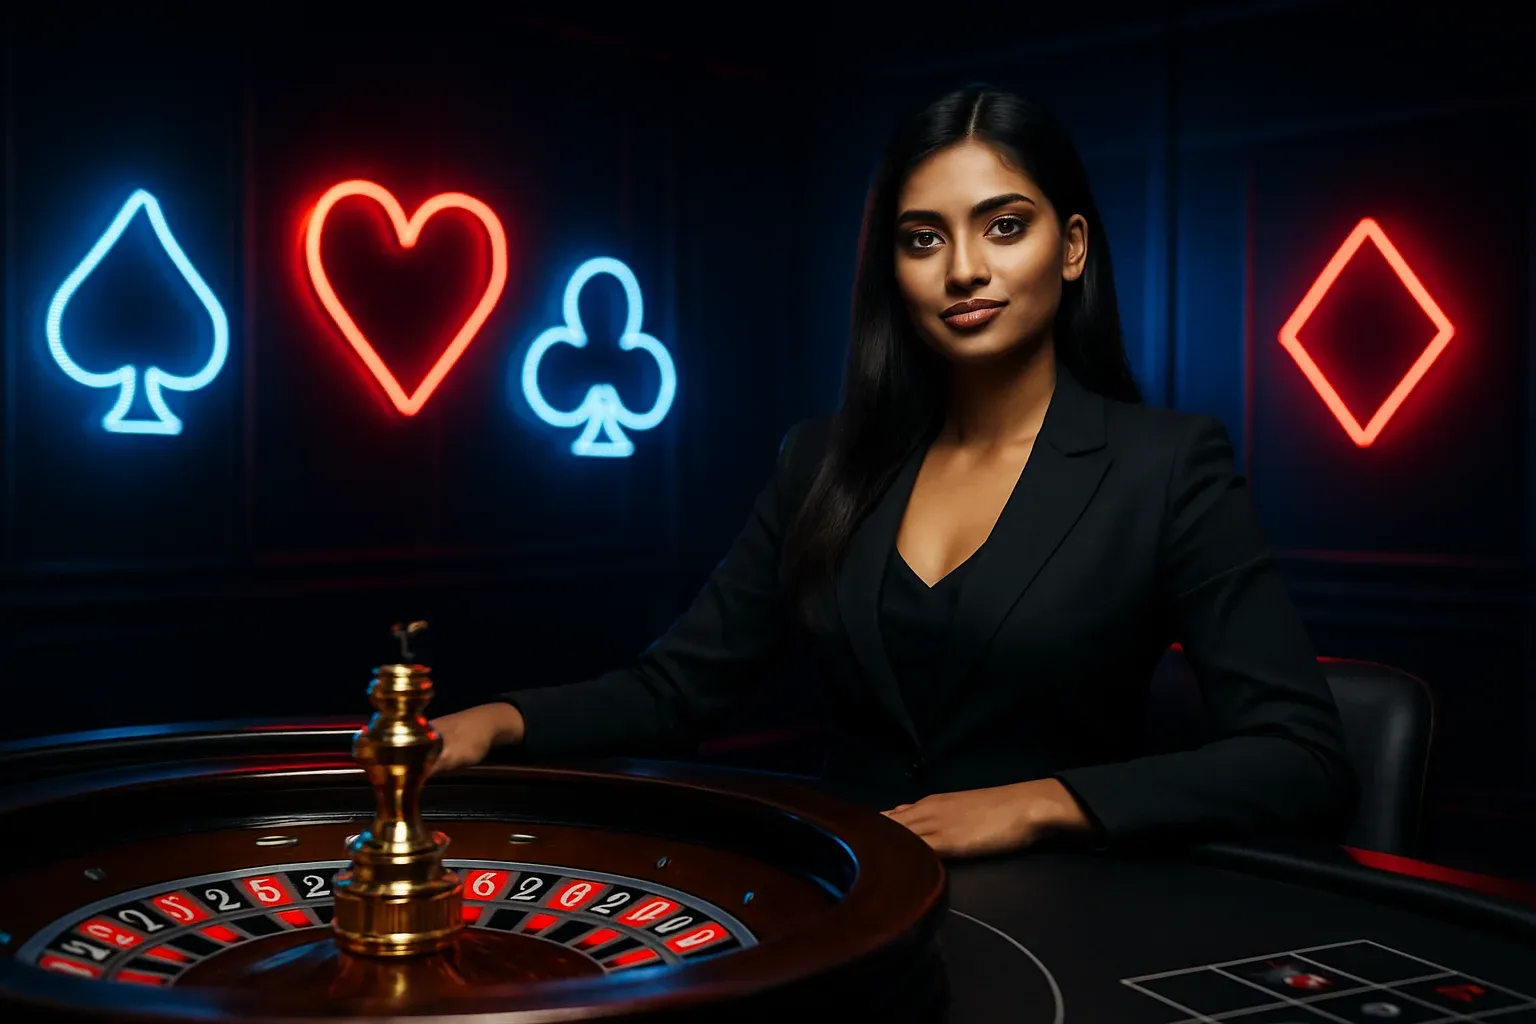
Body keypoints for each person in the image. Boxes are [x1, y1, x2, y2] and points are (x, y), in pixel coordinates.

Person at [432, 85, 1357, 859]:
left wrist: (1043, 801)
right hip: (853, 902)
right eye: (923, 239)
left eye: (1003, 226)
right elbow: (676, 692)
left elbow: (1300, 756)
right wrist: (499, 721)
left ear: (1071, 247)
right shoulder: (820, 461)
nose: (964, 269)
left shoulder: (1167, 465)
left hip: (1069, 914)